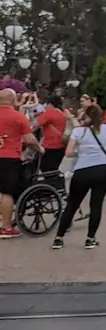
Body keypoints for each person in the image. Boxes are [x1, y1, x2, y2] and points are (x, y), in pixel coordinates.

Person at [52, 103, 106, 250]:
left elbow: (68, 152)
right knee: (96, 205)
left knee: (72, 204)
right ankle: (90, 238)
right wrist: (103, 153)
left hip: (83, 170)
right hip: (103, 169)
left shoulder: (78, 131)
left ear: (86, 115)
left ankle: (59, 238)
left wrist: (81, 153)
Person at [0, 88, 42, 237]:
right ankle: (6, 227)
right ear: (12, 100)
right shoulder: (18, 117)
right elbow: (30, 139)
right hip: (8, 157)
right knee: (6, 192)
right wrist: (39, 148)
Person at [34, 93, 68, 174]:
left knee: (44, 168)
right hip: (61, 145)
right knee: (53, 169)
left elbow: (35, 126)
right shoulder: (62, 112)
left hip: (50, 146)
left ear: (50, 104)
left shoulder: (49, 113)